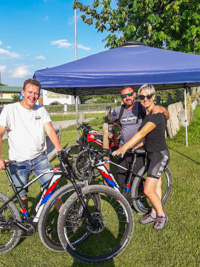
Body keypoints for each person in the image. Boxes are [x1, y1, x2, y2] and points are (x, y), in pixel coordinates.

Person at [112, 84, 170, 231]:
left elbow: (141, 133)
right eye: (142, 96)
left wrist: (124, 147)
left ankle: (161, 215)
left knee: (148, 190)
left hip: (159, 155)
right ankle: (153, 212)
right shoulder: (148, 113)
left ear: (154, 97)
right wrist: (137, 145)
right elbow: (147, 137)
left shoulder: (156, 115)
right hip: (150, 153)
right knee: (156, 186)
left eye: (148, 96)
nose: (145, 99)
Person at [0, 78, 62, 211]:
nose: (33, 96)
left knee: (53, 190)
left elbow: (50, 130)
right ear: (23, 92)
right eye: (30, 92)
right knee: (22, 195)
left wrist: (58, 148)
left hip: (40, 159)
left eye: (36, 93)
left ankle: (65, 218)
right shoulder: (10, 110)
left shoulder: (41, 110)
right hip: (18, 162)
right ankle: (24, 219)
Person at [111, 86, 169, 192]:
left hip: (139, 148)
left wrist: (163, 109)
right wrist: (121, 128)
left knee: (137, 176)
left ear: (134, 95)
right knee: (121, 176)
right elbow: (113, 120)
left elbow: (162, 115)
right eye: (124, 96)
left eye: (129, 94)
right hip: (124, 147)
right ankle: (123, 202)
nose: (127, 97)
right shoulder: (118, 110)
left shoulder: (141, 106)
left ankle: (138, 200)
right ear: (121, 98)